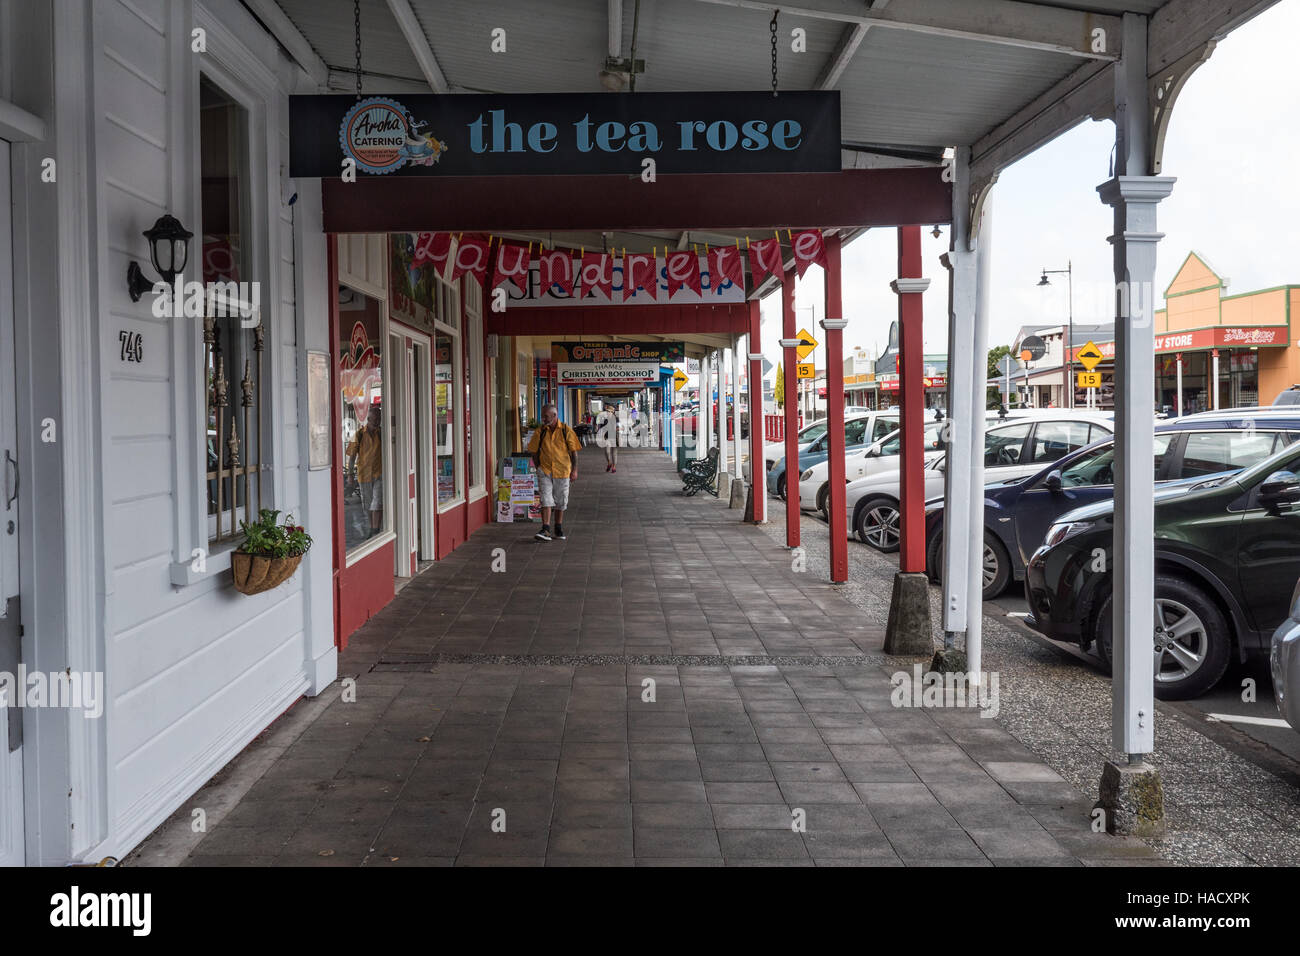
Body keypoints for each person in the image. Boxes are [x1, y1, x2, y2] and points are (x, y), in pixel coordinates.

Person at [526, 403, 581, 541]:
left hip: (562, 470)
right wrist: (539, 467)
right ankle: (545, 529)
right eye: (543, 416)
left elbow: (574, 452)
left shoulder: (566, 430)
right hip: (545, 470)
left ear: (555, 415)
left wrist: (574, 470)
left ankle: (558, 527)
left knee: (561, 501)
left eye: (546, 416)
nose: (543, 419)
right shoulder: (541, 431)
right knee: (546, 499)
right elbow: (533, 451)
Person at [346, 402, 384, 537]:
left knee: (377, 503)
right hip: (364, 475)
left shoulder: (382, 434)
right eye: (374, 420)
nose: (377, 422)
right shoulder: (358, 434)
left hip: (379, 474)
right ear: (368, 419)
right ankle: (372, 528)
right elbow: (351, 457)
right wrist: (350, 474)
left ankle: (375, 530)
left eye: (379, 419)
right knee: (367, 506)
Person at [598, 404, 619, 472]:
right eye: (607, 411)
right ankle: (609, 462)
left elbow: (620, 428)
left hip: (615, 438)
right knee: (607, 452)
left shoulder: (616, 419)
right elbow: (601, 428)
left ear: (612, 412)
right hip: (607, 437)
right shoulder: (604, 419)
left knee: (614, 453)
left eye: (610, 411)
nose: (608, 413)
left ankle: (614, 466)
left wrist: (618, 429)